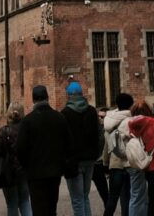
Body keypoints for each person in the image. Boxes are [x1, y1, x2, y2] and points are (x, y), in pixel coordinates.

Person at [16, 84, 74, 216]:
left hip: (35, 174)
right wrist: (62, 163)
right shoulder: (59, 118)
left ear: (33, 100)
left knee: (38, 210)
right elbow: (69, 144)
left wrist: (26, 166)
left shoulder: (27, 121)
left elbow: (20, 148)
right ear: (47, 98)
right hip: (54, 172)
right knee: (51, 208)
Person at [61, 81, 101, 216]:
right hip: (90, 160)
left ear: (69, 96)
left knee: (77, 199)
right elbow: (100, 135)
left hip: (74, 162)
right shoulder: (92, 111)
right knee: (84, 196)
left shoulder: (65, 113)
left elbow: (63, 140)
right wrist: (97, 153)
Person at [0, 101, 32, 216]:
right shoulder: (27, 130)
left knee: (12, 204)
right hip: (24, 171)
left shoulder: (3, 131)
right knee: (25, 201)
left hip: (8, 173)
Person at [103, 93, 133, 216]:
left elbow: (106, 146)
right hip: (129, 163)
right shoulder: (131, 120)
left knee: (112, 198)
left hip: (115, 164)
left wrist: (105, 163)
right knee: (126, 198)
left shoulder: (109, 122)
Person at [92, 108, 109, 213]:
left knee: (106, 192)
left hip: (105, 163)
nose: (100, 118)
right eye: (98, 116)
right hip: (96, 163)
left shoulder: (108, 130)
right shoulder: (95, 129)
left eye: (102, 117)